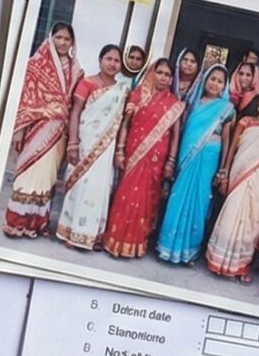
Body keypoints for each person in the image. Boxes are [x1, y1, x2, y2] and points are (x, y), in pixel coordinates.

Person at [205, 87, 259, 279]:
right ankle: (219, 261)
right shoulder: (245, 122)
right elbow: (232, 151)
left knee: (252, 222)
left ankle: (241, 266)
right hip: (239, 174)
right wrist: (225, 172)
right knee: (230, 215)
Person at [3, 22, 80, 237]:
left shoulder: (76, 70)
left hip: (60, 133)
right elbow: (26, 98)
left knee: (47, 177)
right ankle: (17, 221)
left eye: (67, 39)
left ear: (72, 42)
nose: (63, 42)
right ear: (50, 38)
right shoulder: (35, 64)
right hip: (38, 127)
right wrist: (19, 129)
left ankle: (36, 224)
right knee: (29, 173)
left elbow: (74, 104)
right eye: (59, 38)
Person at [103, 59, 183, 259]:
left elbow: (175, 136)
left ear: (172, 78)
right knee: (125, 196)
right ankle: (114, 240)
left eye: (167, 74)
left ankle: (135, 244)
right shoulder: (138, 95)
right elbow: (125, 124)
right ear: (152, 73)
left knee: (145, 201)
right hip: (133, 154)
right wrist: (120, 151)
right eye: (160, 72)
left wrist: (171, 162)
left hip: (156, 161)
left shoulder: (175, 104)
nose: (163, 77)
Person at [155, 62, 233, 264]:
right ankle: (168, 248)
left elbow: (226, 140)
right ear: (205, 80)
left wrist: (223, 168)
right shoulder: (192, 104)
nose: (215, 84)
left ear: (225, 85)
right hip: (187, 158)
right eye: (212, 79)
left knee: (200, 200)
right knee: (178, 196)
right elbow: (182, 133)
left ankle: (188, 251)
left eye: (219, 81)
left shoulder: (227, 109)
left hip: (209, 159)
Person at [54, 44, 130, 250]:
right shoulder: (87, 83)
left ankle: (90, 235)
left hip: (106, 147)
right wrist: (73, 143)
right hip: (85, 142)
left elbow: (123, 120)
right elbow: (76, 113)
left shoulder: (122, 90)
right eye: (109, 59)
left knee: (99, 187)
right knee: (80, 184)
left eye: (116, 60)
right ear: (100, 60)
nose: (112, 63)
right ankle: (70, 231)